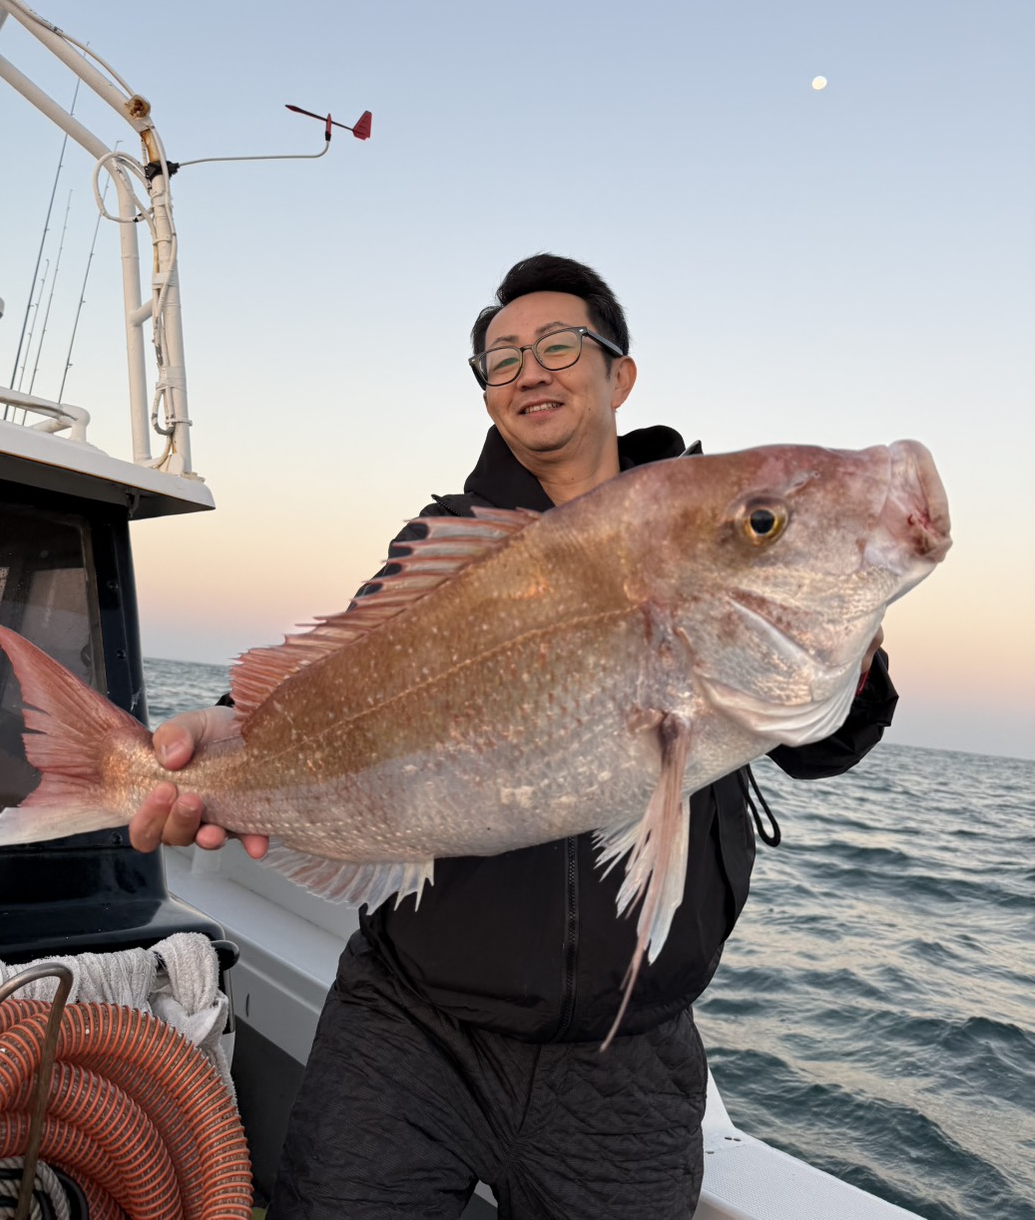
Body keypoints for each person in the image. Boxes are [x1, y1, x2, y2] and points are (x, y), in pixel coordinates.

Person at [129, 255, 897, 1220]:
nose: (529, 371)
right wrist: (232, 741)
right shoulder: (446, 540)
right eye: (501, 359)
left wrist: (851, 650)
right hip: (412, 1018)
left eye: (558, 345)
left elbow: (823, 743)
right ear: (488, 395)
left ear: (620, 374)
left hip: (628, 1050)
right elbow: (345, 691)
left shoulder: (701, 530)